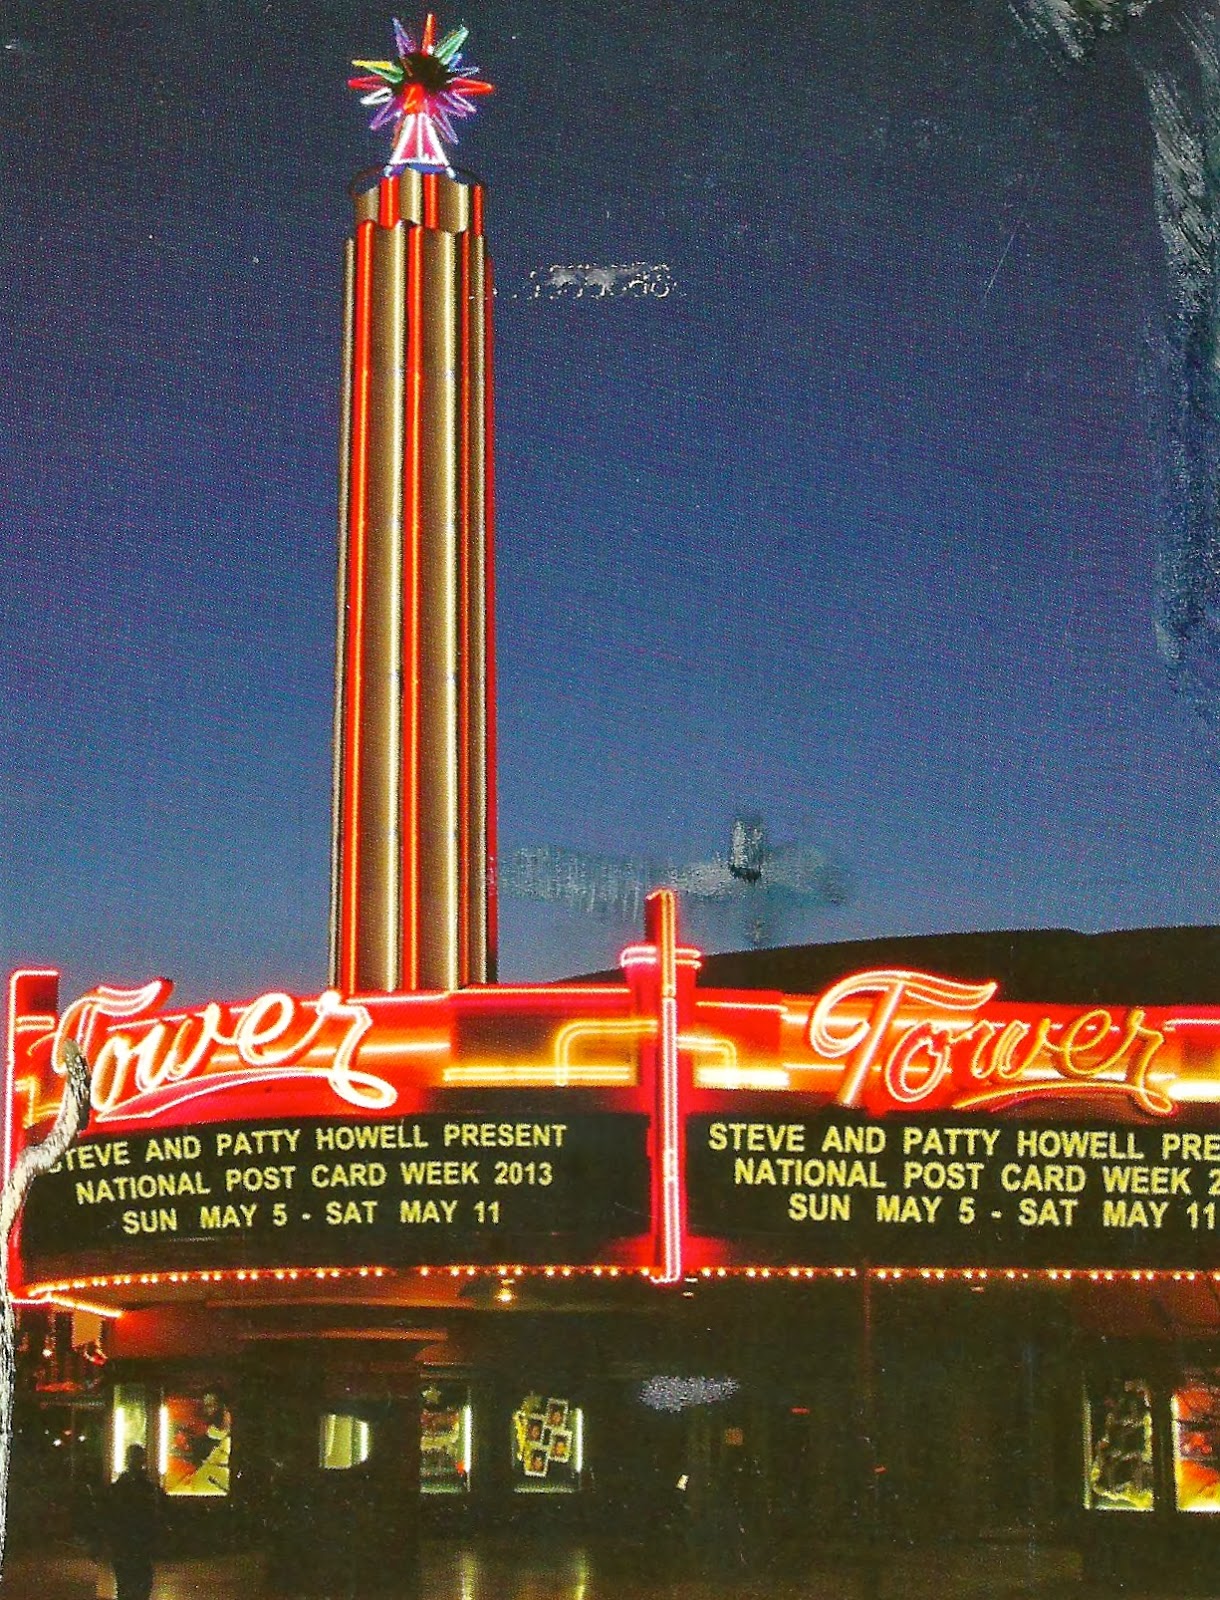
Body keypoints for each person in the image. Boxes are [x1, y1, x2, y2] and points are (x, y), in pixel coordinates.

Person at [107, 1445, 160, 1600]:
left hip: (126, 1541)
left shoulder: (121, 1486)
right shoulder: (146, 1487)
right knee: (139, 1581)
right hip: (137, 1540)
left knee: (127, 1583)